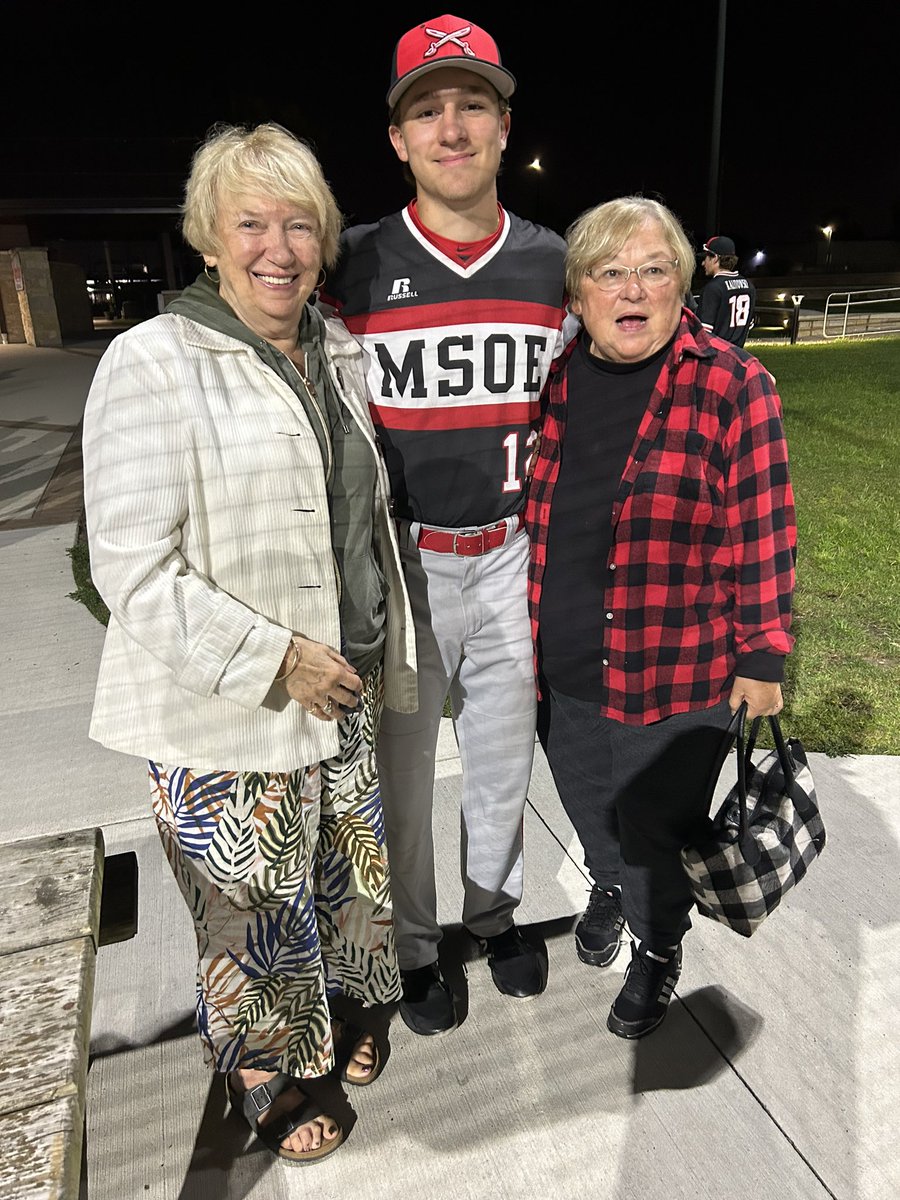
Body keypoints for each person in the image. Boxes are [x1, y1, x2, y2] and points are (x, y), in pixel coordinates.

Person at [81, 122, 417, 1162]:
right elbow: (130, 567)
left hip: (344, 688)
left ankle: (349, 1009)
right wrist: (277, 657)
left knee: (343, 878)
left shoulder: (338, 350)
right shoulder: (153, 361)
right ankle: (269, 1068)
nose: (280, 247)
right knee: (251, 909)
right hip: (229, 709)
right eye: (252, 224)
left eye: (300, 224)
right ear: (210, 240)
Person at [319, 14, 569, 1036]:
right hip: (405, 561)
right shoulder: (358, 262)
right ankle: (418, 948)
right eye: (429, 108)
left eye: (472, 104)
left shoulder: (553, 262)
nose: (452, 126)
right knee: (406, 777)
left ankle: (495, 914)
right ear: (398, 137)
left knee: (504, 764)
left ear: (506, 126)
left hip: (508, 552)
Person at [527, 196, 796, 1039]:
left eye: (654, 270)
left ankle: (658, 946)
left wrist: (764, 656)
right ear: (578, 295)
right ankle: (606, 883)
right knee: (586, 802)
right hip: (565, 657)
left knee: (655, 827)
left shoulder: (732, 383)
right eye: (610, 272)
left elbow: (764, 526)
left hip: (676, 668)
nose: (632, 289)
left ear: (684, 286)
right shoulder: (555, 381)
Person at [697, 234, 757, 347]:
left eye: (706, 258)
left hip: (716, 359)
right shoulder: (749, 286)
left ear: (715, 258)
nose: (703, 263)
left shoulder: (713, 288)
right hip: (739, 357)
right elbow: (749, 324)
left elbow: (704, 333)